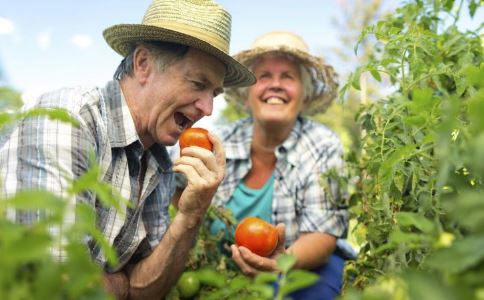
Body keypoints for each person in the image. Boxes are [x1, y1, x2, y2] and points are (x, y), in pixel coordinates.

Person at [0, 0, 255, 299]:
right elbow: (53, 284)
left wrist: (191, 215)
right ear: (143, 64)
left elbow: (148, 289)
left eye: (213, 93)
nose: (208, 109)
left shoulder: (159, 160)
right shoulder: (70, 121)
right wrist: (123, 285)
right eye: (198, 83)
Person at [210, 31, 353, 299]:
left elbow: (322, 235)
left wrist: (282, 262)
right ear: (245, 94)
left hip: (302, 267)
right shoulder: (220, 143)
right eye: (264, 76)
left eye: (288, 76)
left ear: (305, 96)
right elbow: (178, 192)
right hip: (223, 270)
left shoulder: (323, 144)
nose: (275, 85)